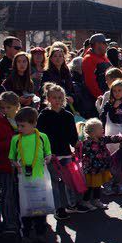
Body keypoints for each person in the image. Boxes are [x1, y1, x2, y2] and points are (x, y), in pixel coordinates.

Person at [37, 83, 85, 220]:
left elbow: (72, 135)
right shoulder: (44, 115)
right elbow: (41, 136)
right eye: (54, 97)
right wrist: (46, 152)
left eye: (60, 97)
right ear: (48, 98)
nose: (57, 100)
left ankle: (72, 204)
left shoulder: (68, 115)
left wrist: (76, 144)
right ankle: (59, 208)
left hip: (65, 152)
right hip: (51, 154)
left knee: (69, 181)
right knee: (55, 182)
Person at [9, 107, 52, 243]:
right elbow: (12, 157)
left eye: (23, 125)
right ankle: (25, 235)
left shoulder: (42, 136)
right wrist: (15, 163)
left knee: (40, 208)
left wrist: (48, 157)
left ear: (34, 124)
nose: (19, 128)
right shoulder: (16, 139)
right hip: (23, 180)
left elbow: (48, 152)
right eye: (18, 125)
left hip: (39, 178)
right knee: (25, 209)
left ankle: (40, 233)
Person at [78, 118, 122, 210]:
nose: (103, 130)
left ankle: (96, 200)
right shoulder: (86, 143)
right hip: (91, 170)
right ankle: (85, 201)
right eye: (100, 128)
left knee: (98, 186)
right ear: (93, 132)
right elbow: (80, 154)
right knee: (90, 186)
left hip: (100, 168)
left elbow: (112, 138)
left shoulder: (102, 139)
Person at [99, 79, 122, 196]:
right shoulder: (108, 104)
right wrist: (112, 108)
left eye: (119, 90)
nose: (117, 93)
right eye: (114, 91)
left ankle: (120, 184)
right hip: (111, 134)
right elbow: (102, 116)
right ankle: (109, 182)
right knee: (110, 159)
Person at [0, 92, 19, 236]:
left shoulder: (19, 120)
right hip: (3, 164)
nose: (5, 110)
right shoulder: (0, 121)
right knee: (6, 195)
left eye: (8, 107)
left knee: (14, 193)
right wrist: (13, 140)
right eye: (2, 108)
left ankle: (15, 219)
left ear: (16, 107)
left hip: (16, 165)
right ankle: (8, 223)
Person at [82, 33, 112, 103]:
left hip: (108, 96)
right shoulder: (89, 59)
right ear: (97, 44)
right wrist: (101, 97)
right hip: (97, 100)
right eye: (104, 43)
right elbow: (90, 82)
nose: (107, 45)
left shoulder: (104, 57)